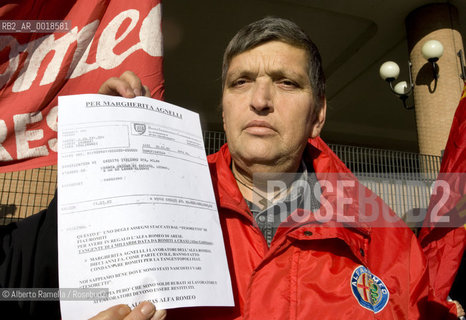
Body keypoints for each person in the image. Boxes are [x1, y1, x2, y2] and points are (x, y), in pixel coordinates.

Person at [0, 17, 462, 319]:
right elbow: (31, 288)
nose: (260, 100)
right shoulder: (152, 203)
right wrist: (100, 173)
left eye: (285, 82)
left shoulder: (386, 242)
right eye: (242, 82)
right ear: (224, 109)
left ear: (318, 113)